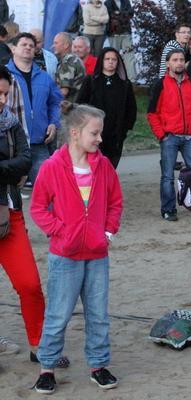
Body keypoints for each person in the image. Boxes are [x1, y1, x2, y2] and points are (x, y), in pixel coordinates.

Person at [30, 103, 123, 394]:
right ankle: (47, 368)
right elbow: (38, 208)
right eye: (94, 133)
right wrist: (60, 231)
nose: (99, 139)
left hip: (96, 255)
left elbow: (115, 202)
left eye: (100, 133)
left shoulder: (104, 166)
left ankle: (99, 365)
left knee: (98, 315)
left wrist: (106, 232)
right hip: (64, 255)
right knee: (58, 314)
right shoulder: (52, 167)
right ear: (74, 133)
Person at [0, 65, 47, 365]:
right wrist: (8, 169)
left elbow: (26, 160)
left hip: (9, 214)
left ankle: (40, 344)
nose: (2, 100)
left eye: (5, 94)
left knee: (29, 284)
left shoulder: (11, 124)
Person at [147, 49, 191, 222]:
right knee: (167, 176)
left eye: (181, 59)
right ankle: (168, 209)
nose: (179, 63)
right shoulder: (160, 84)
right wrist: (162, 135)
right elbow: (152, 113)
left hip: (190, 137)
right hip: (170, 136)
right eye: (175, 60)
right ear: (168, 63)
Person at [7, 33, 62, 186]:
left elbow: (55, 103)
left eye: (31, 45)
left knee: (48, 187)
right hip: (11, 144)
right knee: (9, 191)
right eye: (24, 44)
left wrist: (53, 123)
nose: (28, 47)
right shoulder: (4, 75)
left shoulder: (45, 77)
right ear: (13, 49)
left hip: (39, 142)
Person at [76, 47, 137, 168]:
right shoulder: (91, 81)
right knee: (92, 168)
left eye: (114, 59)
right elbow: (80, 106)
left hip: (115, 135)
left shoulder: (124, 84)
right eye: (107, 59)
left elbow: (131, 108)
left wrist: (124, 129)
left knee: (110, 168)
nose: (110, 62)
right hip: (93, 133)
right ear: (101, 61)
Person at [105, 0, 136, 82]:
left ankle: (132, 81)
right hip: (113, 34)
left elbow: (131, 13)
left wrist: (118, 14)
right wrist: (123, 14)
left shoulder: (126, 1)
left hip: (126, 33)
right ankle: (113, 79)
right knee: (113, 57)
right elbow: (109, 17)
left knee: (130, 57)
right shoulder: (107, 3)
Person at [53, 32, 86, 103]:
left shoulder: (67, 61)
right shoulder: (74, 58)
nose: (53, 46)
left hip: (70, 105)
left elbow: (64, 91)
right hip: (76, 104)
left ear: (66, 45)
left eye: (56, 43)